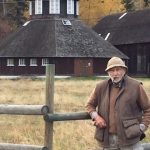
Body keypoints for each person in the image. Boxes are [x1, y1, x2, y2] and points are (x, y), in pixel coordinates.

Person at [86, 56, 150, 150]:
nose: (115, 73)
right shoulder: (100, 87)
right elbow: (89, 105)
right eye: (112, 70)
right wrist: (96, 117)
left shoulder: (136, 86)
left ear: (124, 70)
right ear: (108, 72)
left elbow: (148, 109)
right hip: (108, 138)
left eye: (118, 69)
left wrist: (142, 127)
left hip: (130, 138)